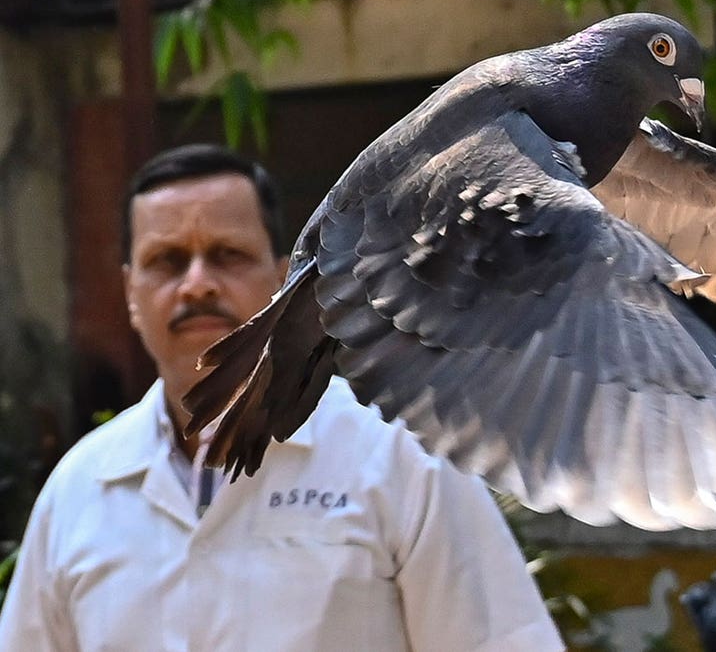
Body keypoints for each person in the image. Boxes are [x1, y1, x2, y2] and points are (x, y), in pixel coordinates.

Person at [0, 144, 564, 651]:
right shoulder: (79, 490)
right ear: (130, 292)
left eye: (226, 254)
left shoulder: (399, 457)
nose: (197, 284)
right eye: (167, 262)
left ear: (282, 276)